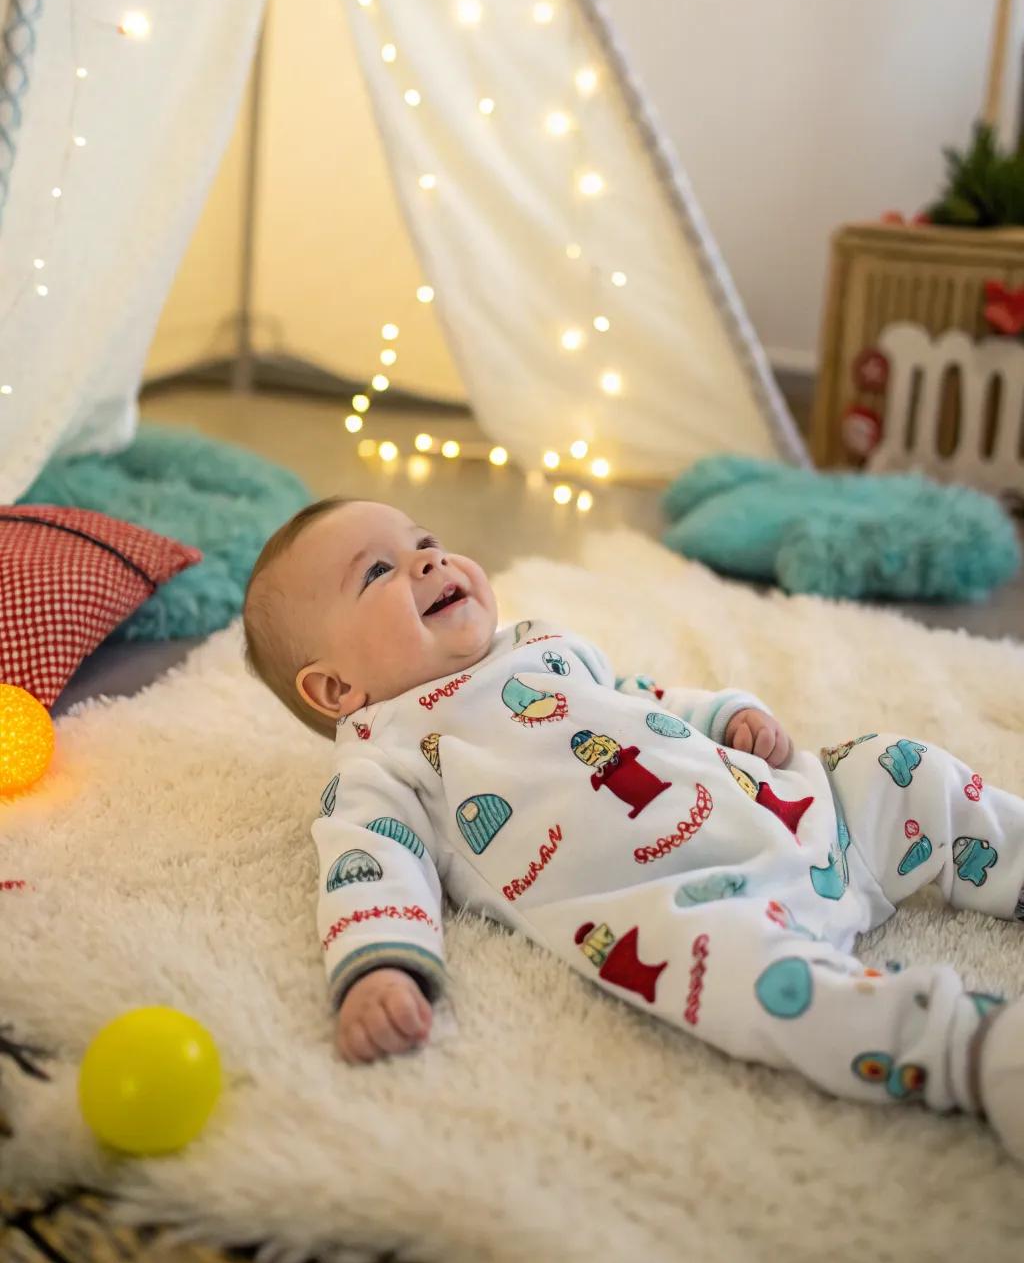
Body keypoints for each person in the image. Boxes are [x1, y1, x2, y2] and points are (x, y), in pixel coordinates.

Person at [242, 497, 1024, 1160]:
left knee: (899, 769)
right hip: (696, 906)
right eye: (377, 572)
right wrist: (380, 969)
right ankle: (970, 1048)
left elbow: (636, 697)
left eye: (425, 545)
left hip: (798, 808)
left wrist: (726, 715)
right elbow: (372, 866)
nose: (426, 564)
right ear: (337, 687)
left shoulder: (542, 644)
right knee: (748, 990)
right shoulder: (385, 762)